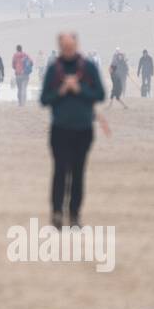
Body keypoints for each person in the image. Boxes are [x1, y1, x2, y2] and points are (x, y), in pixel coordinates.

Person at [39, 31, 105, 229]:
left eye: (71, 46)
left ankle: (75, 214)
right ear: (60, 47)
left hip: (83, 130)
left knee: (78, 172)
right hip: (59, 129)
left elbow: (100, 94)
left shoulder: (89, 68)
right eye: (64, 47)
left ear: (76, 45)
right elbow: (44, 100)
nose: (68, 50)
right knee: (59, 171)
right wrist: (60, 91)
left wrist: (79, 90)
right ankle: (57, 213)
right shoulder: (54, 69)